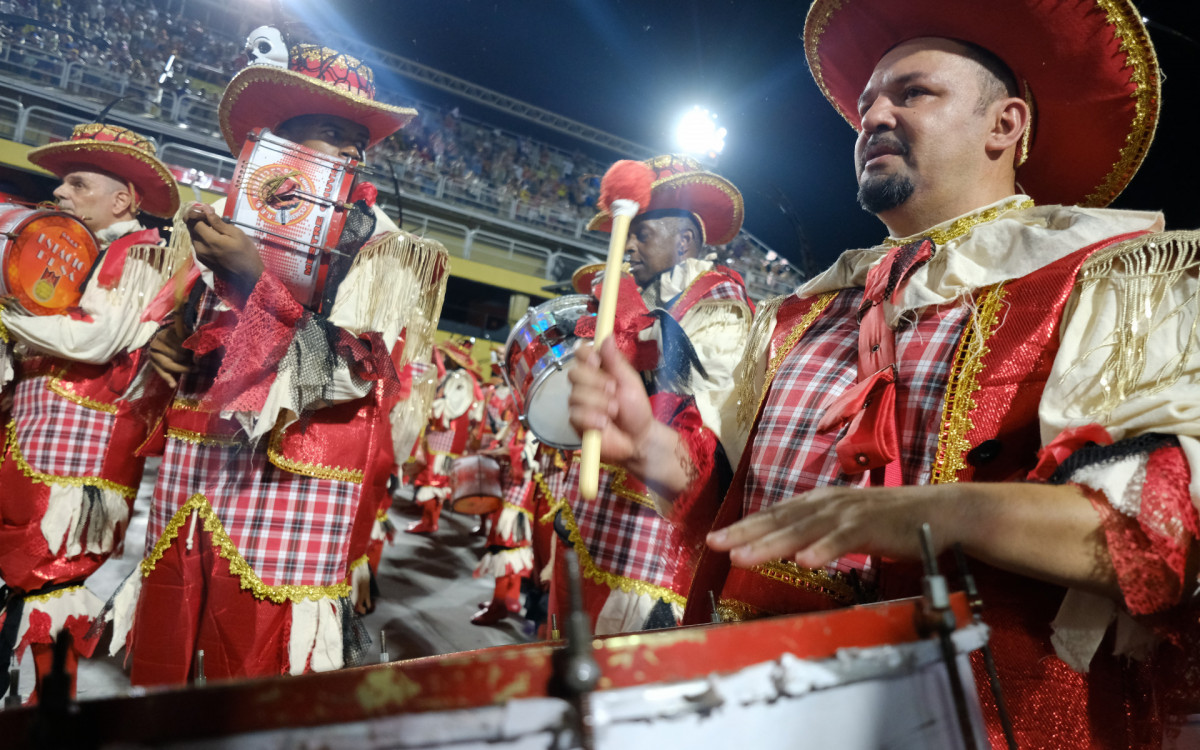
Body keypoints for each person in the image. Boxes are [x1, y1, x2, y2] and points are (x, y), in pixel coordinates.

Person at [569, 1, 1200, 745]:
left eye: (913, 93)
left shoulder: (1110, 285)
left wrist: (939, 514)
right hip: (759, 708)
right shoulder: (799, 313)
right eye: (867, 102)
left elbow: (1164, 535)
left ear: (1005, 125)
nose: (871, 117)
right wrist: (648, 446)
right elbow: (736, 502)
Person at [124, 37, 449, 685]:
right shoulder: (228, 221)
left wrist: (255, 282)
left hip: (291, 476)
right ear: (277, 142)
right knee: (169, 652)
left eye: (355, 140)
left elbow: (352, 373)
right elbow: (197, 331)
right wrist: (172, 342)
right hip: (196, 467)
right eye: (329, 132)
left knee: (258, 671)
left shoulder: (381, 245)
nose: (350, 152)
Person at [0, 122, 181, 700]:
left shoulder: (141, 259)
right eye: (63, 183)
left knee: (53, 582)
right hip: (33, 440)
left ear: (122, 200)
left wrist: (6, 315)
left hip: (79, 465)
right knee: (21, 579)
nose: (59, 192)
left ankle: (50, 713)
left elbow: (94, 341)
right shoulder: (74, 249)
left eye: (78, 183)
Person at [549, 155, 753, 635]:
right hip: (592, 517)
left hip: (651, 534)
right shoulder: (635, 296)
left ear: (685, 240)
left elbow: (702, 421)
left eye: (642, 233)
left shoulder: (719, 305)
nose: (629, 246)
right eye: (629, 234)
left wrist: (625, 319)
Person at [405, 340, 484, 535]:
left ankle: (430, 522)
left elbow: (452, 406)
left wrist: (434, 407)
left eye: (447, 356)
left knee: (435, 477)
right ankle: (428, 520)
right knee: (433, 475)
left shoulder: (463, 379)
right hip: (442, 434)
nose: (445, 359)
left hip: (447, 435)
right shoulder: (456, 377)